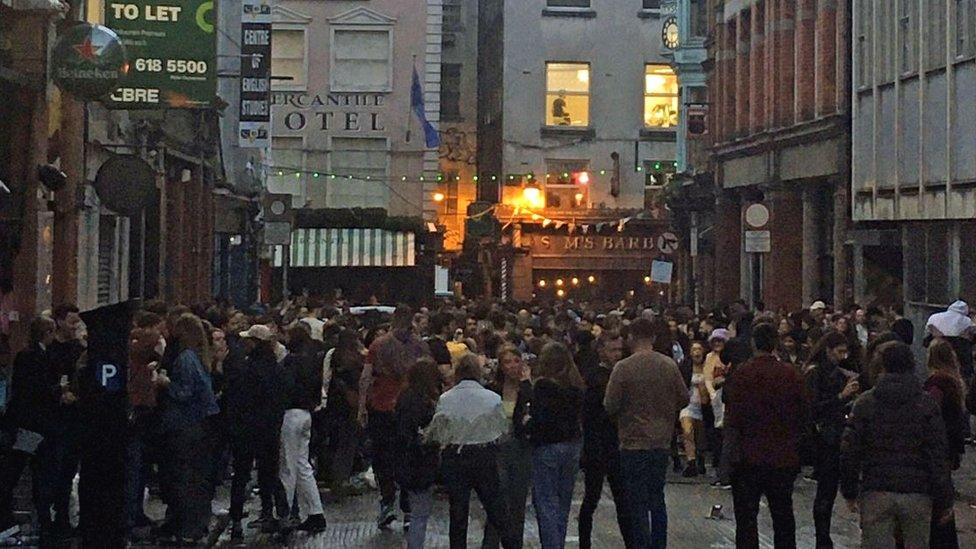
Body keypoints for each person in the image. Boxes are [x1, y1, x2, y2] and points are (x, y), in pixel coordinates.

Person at [840, 342, 954, 549]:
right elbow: (937, 454)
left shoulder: (865, 403)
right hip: (917, 491)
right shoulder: (926, 404)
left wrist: (849, 489)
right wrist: (945, 498)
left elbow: (850, 449)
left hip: (876, 487)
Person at [604, 318, 687, 549]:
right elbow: (684, 397)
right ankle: (659, 544)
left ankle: (641, 544)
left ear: (631, 338)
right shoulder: (668, 365)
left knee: (636, 503)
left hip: (632, 441)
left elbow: (610, 404)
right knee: (657, 499)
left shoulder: (623, 368)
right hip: (661, 441)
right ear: (653, 338)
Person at [424, 353, 520, 549]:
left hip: (455, 457)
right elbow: (503, 430)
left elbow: (438, 431)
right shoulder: (492, 398)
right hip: (484, 456)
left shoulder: (446, 399)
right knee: (497, 510)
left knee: (458, 513)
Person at [725, 322, 807, 549]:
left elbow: (733, 415)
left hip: (747, 456)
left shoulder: (742, 373)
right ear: (776, 344)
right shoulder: (791, 374)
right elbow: (803, 414)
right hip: (783, 456)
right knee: (783, 516)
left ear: (753, 343)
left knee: (746, 520)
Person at [359, 305, 430, 528]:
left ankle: (387, 502)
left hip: (381, 405)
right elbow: (429, 375)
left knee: (382, 457)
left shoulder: (378, 345)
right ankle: (408, 508)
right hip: (409, 407)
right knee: (407, 455)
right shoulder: (420, 346)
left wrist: (362, 406)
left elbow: (366, 377)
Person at [157, 314, 219, 544]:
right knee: (197, 477)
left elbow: (183, 392)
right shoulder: (200, 357)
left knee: (184, 476)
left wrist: (164, 383)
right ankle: (197, 524)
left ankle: (187, 526)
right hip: (201, 425)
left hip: (184, 424)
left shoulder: (184, 359)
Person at [515, 342, 584, 549]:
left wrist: (526, 385)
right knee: (563, 503)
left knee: (546, 503)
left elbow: (538, 414)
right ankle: (558, 543)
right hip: (572, 445)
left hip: (546, 447)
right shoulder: (576, 388)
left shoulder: (543, 386)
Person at [226, 324, 289, 539]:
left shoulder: (245, 369)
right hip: (269, 430)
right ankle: (273, 512)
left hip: (246, 430)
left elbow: (236, 399)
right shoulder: (277, 368)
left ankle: (236, 520)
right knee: (269, 474)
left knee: (241, 475)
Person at [0, 317, 58, 541]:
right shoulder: (34, 357)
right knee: (16, 472)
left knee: (19, 472)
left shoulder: (27, 356)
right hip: (31, 425)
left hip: (29, 424)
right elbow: (34, 391)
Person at [578, 331, 634, 549]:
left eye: (620, 350)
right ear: (601, 351)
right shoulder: (595, 378)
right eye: (613, 350)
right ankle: (585, 542)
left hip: (615, 445)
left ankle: (630, 542)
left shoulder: (619, 374)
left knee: (622, 500)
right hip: (598, 445)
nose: (617, 354)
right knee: (592, 498)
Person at [803, 331, 858, 549]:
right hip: (824, 438)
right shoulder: (815, 373)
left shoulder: (839, 371)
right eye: (839, 352)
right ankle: (822, 538)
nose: (843, 356)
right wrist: (841, 396)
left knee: (829, 489)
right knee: (825, 491)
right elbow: (813, 408)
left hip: (838, 433)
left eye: (845, 352)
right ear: (828, 350)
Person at [278, 324, 328, 534]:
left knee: (288, 465)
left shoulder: (290, 362)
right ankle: (316, 512)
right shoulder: (312, 361)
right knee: (302, 464)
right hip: (306, 413)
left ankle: (285, 513)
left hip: (290, 414)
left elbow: (284, 387)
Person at [483, 345, 533, 549]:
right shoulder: (493, 389)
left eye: (516, 361)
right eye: (507, 362)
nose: (512, 366)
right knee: (497, 499)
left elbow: (533, 409)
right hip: (497, 448)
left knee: (518, 501)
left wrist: (527, 384)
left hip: (521, 447)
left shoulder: (527, 388)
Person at [923, 338, 966, 548]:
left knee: (938, 500)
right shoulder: (954, 382)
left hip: (940, 447)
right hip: (949, 447)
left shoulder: (937, 384)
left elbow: (932, 414)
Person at [395, 358, 442, 549]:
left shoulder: (404, 397)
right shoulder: (424, 402)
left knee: (417, 513)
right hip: (420, 464)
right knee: (420, 515)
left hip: (407, 462)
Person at [679, 340, 708, 477]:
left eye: (699, 349)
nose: (697, 352)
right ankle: (691, 461)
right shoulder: (685, 367)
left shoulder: (708, 366)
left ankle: (700, 458)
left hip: (703, 406)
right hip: (688, 405)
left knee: (700, 436)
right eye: (694, 350)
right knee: (687, 431)